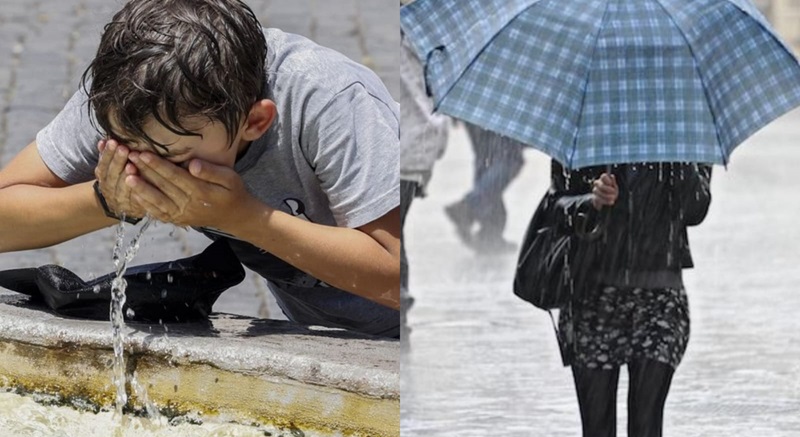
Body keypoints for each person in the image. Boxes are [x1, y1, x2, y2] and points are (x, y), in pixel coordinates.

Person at [0, 0, 400, 338]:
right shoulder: (130, 94)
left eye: (171, 156)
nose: (147, 166)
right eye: (126, 148)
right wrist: (106, 199)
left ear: (255, 122)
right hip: (329, 336)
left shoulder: (330, 102)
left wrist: (245, 218)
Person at [549, 161, 711, 437]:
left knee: (646, 435)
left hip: (660, 301)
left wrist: (676, 155)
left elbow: (695, 209)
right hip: (592, 299)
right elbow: (557, 206)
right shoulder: (589, 129)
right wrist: (592, 200)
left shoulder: (685, 130)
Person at [399, 26, 449, 334]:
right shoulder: (419, 39)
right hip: (418, 149)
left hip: (409, 153)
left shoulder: (408, 41)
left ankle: (400, 301)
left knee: (393, 233)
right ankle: (401, 301)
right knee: (397, 232)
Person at [444, 123, 524, 253]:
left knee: (487, 158)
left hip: (475, 109)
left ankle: (490, 234)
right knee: (509, 158)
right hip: (498, 110)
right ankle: (470, 207)